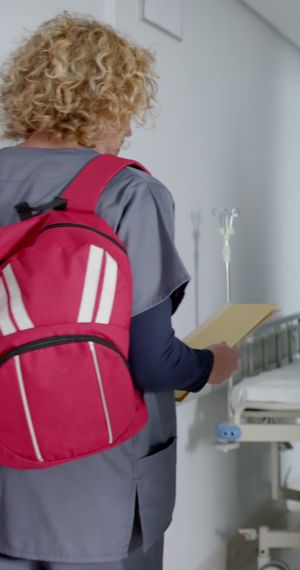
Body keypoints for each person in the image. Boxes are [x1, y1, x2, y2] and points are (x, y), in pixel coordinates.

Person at [0, 14, 239, 569]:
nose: (129, 128)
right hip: (97, 483)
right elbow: (151, 361)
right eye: (128, 109)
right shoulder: (128, 192)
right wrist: (213, 364)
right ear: (109, 100)